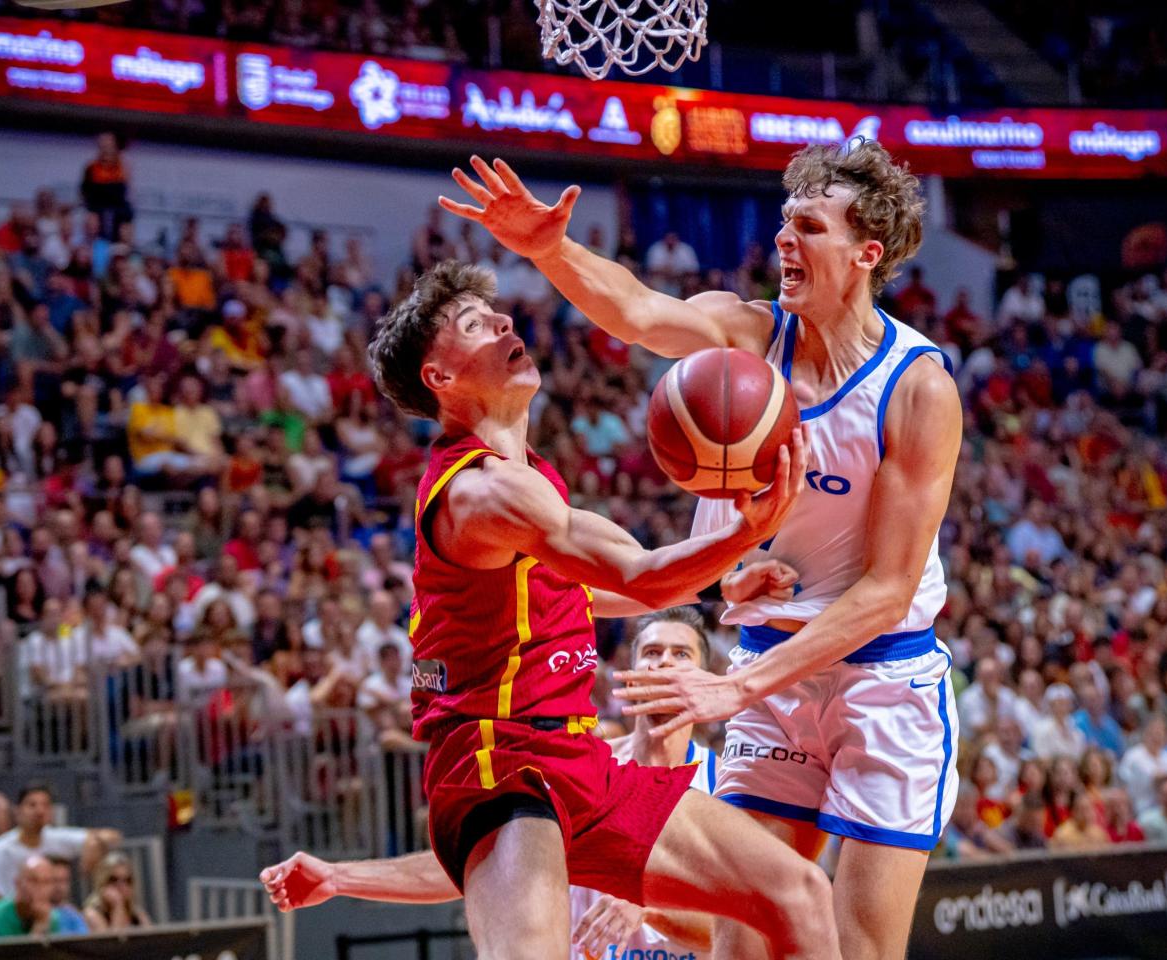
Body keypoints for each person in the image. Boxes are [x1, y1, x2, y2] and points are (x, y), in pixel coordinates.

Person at [444, 141, 961, 960]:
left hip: (883, 679)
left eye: (811, 227)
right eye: (786, 221)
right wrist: (549, 249)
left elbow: (889, 591)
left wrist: (735, 686)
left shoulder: (919, 388)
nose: (786, 239)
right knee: (746, 935)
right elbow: (640, 313)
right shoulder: (749, 335)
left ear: (868, 254)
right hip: (773, 667)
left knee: (860, 947)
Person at [307, 260, 834, 960]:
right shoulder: (481, 495)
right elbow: (641, 578)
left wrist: (719, 583)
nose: (502, 322)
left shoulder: (533, 481)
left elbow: (602, 585)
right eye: (474, 324)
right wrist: (744, 530)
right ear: (441, 378)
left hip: (575, 755)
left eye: (496, 314)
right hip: (497, 763)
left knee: (797, 892)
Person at [266, 606, 768, 960]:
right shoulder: (580, 773)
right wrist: (337, 878)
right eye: (652, 652)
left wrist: (650, 908)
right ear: (626, 673)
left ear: (708, 676)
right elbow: (476, 865)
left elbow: (750, 932)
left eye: (682, 655)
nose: (664, 663)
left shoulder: (727, 784)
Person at [0, 785, 120, 900]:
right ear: (17, 811)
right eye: (32, 805)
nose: (40, 811)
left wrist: (93, 842)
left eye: (46, 805)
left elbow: (114, 836)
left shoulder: (54, 836)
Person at [0, 854, 63, 942]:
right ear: (17, 883)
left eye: (47, 882)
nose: (41, 888)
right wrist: (40, 925)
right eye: (33, 880)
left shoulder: (51, 917)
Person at [83, 852, 152, 932]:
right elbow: (112, 942)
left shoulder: (137, 914)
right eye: (114, 880)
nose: (121, 886)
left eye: (127, 880)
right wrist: (117, 907)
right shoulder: (92, 914)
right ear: (102, 881)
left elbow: (151, 940)